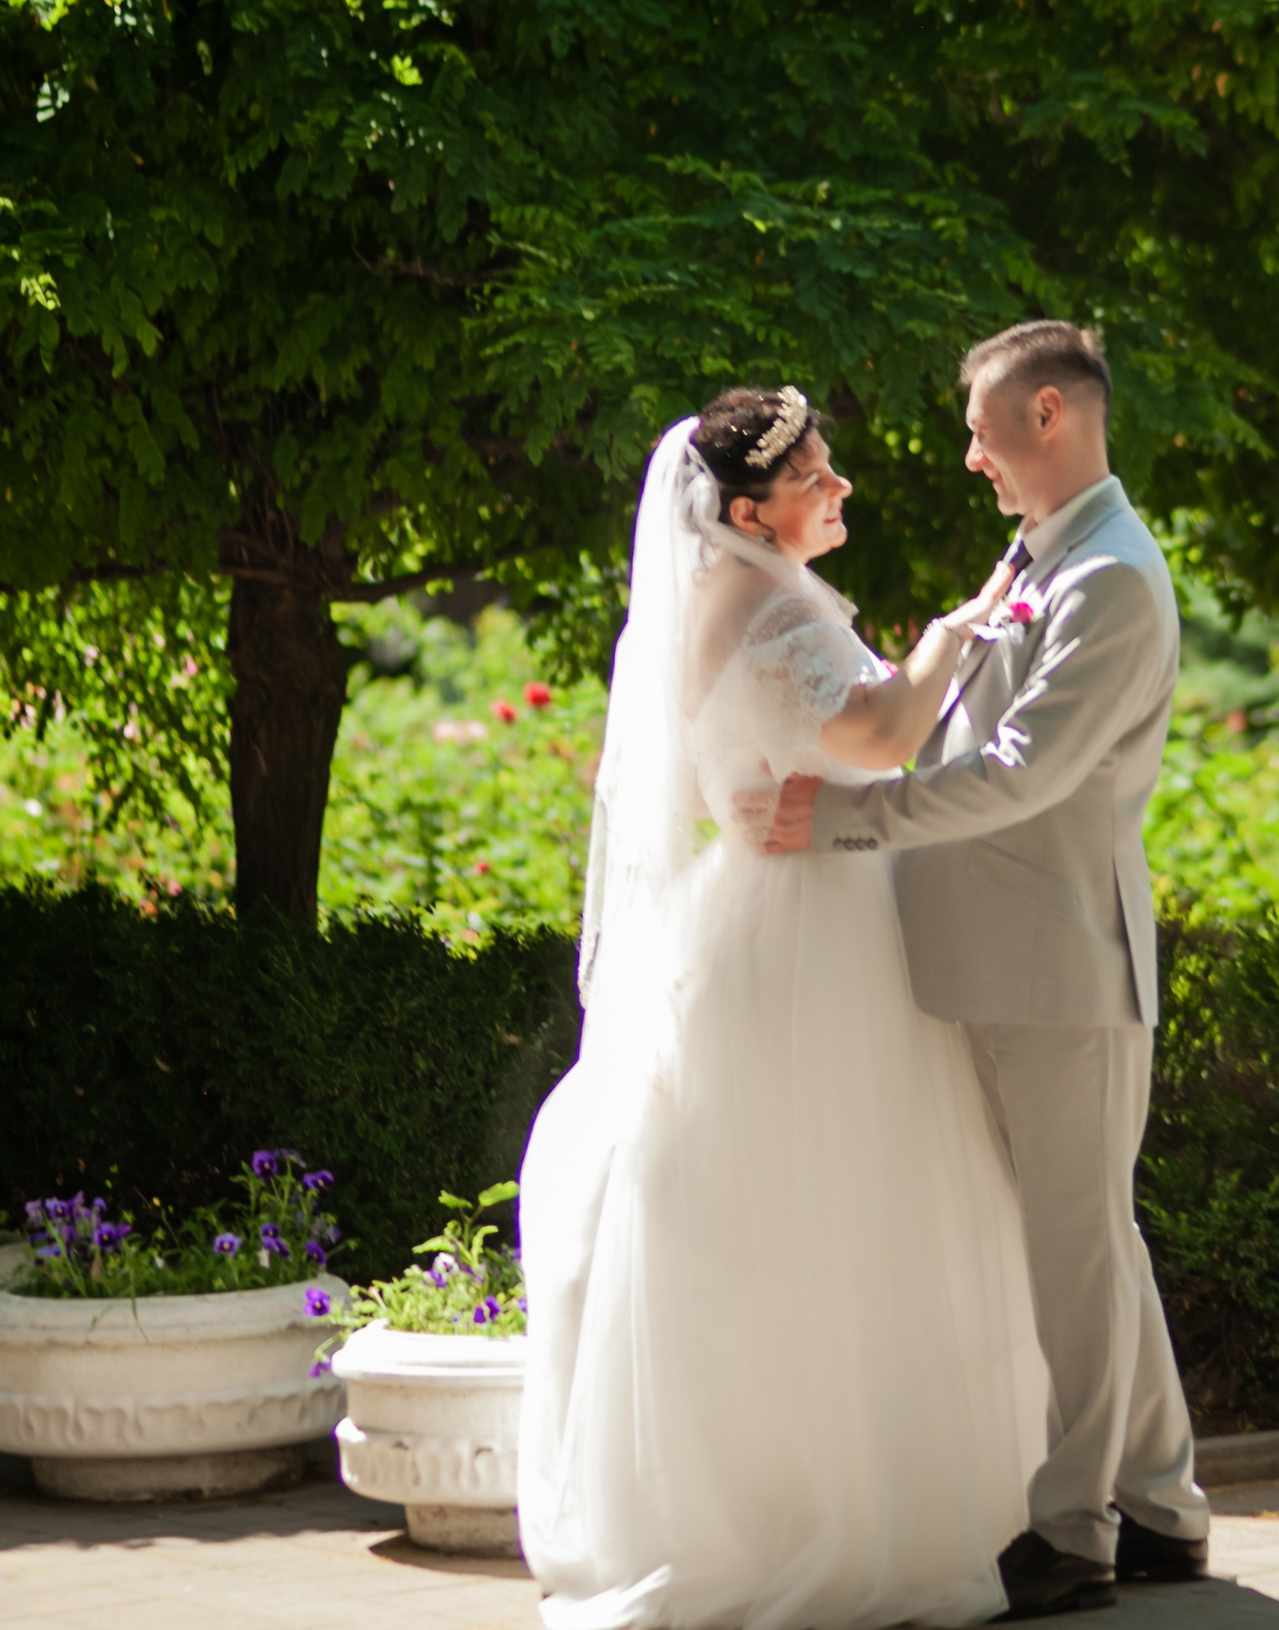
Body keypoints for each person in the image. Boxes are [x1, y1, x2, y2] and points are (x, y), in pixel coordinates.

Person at [516, 385, 1048, 1629]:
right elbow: (878, 736)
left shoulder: (733, 593)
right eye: (814, 477)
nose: (839, 487)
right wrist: (956, 632)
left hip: (776, 909)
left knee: (794, 1216)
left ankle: (805, 1498)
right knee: (841, 1206)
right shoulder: (761, 605)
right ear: (750, 513)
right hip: (810, 933)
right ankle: (832, 1520)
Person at [756, 321, 1214, 1611]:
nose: (970, 457)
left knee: (1078, 1252)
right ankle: (1163, 1506)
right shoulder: (1041, 553)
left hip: (1062, 965)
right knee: (1096, 1244)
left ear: (1049, 414)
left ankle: (1074, 1533)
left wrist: (844, 819)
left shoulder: (1108, 578)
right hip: (1007, 959)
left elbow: (1023, 774)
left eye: (980, 430)